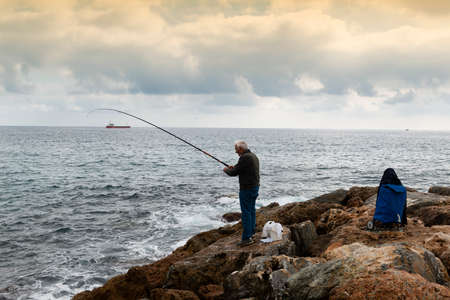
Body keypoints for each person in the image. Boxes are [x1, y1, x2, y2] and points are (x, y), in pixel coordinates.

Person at [223, 140, 260, 246]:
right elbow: (240, 168)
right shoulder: (253, 156)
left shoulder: (245, 157)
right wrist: (234, 167)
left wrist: (226, 169)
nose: (236, 152)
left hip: (247, 189)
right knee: (251, 211)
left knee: (246, 213)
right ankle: (251, 233)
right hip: (254, 188)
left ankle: (247, 238)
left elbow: (233, 173)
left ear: (240, 149)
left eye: (236, 149)